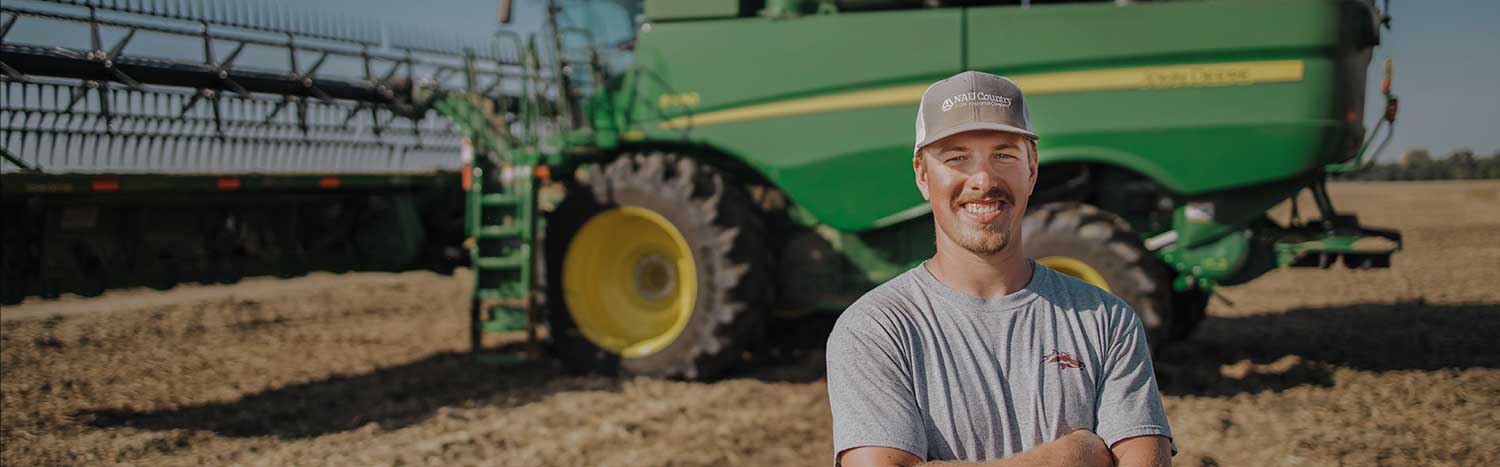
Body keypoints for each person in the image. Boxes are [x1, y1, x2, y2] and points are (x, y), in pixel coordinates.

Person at [825, 71, 1175, 467]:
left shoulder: (1106, 321)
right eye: (957, 157)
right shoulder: (877, 330)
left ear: (1032, 168)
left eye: (1004, 155)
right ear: (923, 175)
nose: (984, 179)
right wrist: (1068, 458)